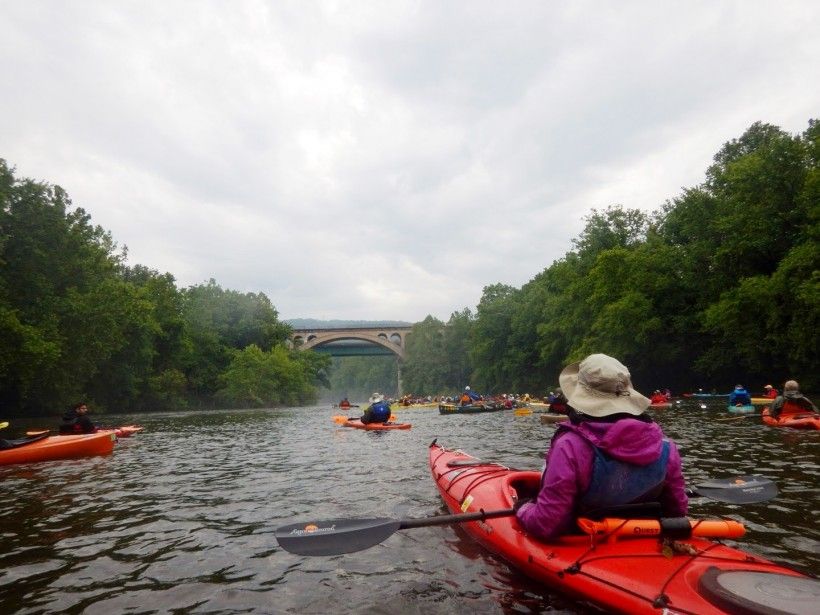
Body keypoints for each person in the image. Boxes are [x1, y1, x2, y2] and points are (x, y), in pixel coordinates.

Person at [515, 353, 688, 541]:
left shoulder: (569, 446)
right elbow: (677, 512)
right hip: (641, 541)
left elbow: (547, 524)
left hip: (586, 542)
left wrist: (523, 509)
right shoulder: (667, 447)